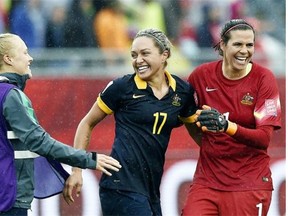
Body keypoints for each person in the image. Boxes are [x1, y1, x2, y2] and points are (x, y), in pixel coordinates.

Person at [63, 28, 198, 215]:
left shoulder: (182, 92)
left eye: (145, 53)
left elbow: (198, 134)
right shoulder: (122, 87)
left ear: (164, 55)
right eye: (134, 55)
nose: (138, 60)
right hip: (120, 185)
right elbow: (87, 123)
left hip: (150, 190)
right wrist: (77, 170)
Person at [0, 33, 121, 216]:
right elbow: (39, 141)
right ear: (8, 59)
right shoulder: (12, 95)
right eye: (24, 53)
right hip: (9, 198)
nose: (30, 58)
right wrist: (87, 159)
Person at [181, 19, 282, 216]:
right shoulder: (201, 76)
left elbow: (264, 138)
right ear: (223, 45)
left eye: (249, 45)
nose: (244, 51)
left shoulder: (264, 78)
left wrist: (226, 126)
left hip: (249, 182)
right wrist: (207, 142)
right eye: (238, 44)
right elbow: (188, 116)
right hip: (207, 181)